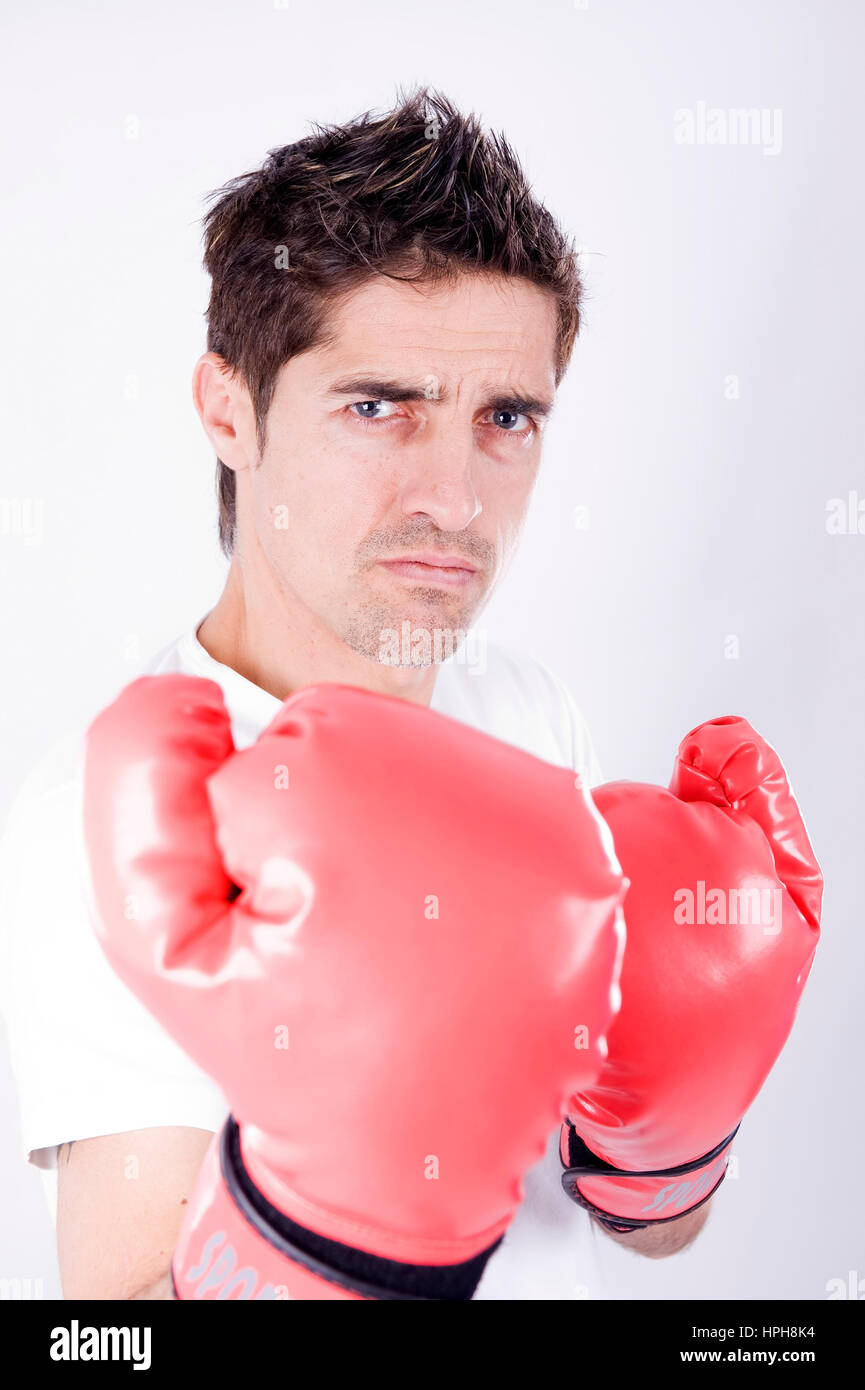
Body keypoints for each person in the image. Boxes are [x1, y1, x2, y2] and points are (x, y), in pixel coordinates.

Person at [0, 86, 712, 1300]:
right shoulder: (117, 812)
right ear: (230, 409)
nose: (454, 494)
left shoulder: (530, 713)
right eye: (378, 407)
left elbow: (632, 1234)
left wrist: (670, 1141)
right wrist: (336, 1233)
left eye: (505, 417)